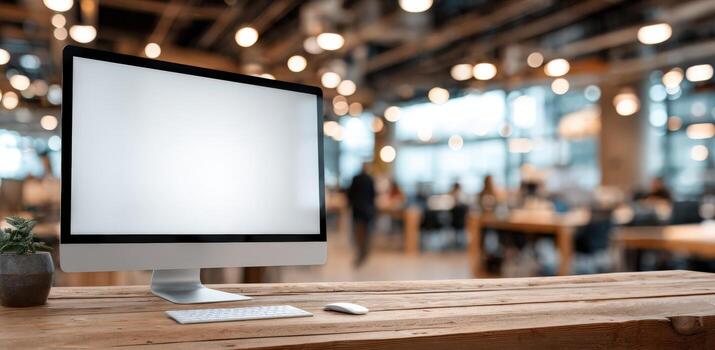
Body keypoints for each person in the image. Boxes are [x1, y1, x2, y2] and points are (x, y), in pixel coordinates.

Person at [347, 163, 376, 267]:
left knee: (358, 232)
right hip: (367, 210)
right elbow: (373, 195)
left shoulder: (355, 178)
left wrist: (349, 205)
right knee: (366, 232)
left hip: (357, 209)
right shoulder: (370, 179)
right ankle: (365, 251)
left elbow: (350, 194)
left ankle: (360, 251)